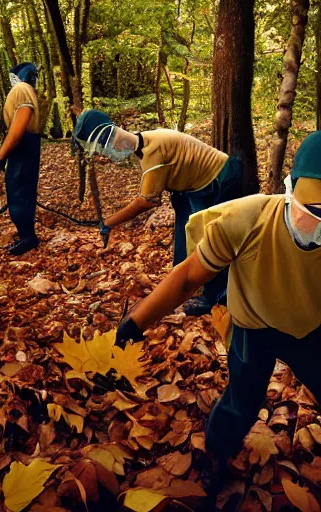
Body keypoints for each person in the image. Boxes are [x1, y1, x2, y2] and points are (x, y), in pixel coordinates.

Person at [116, 131, 321, 481]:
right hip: (251, 327)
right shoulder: (246, 220)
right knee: (241, 401)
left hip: (310, 328)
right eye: (313, 213)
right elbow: (187, 278)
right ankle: (216, 456)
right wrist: (136, 323)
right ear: (289, 193)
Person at [72, 110, 245, 315]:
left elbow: (146, 201)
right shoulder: (145, 144)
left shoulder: (153, 151)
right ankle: (182, 282)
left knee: (209, 240)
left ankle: (214, 297)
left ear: (114, 134)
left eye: (105, 144)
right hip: (191, 188)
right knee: (184, 237)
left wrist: (109, 222)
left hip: (218, 179)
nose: (106, 152)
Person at [0, 62, 41, 256]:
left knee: (18, 191)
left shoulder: (21, 89)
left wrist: (1, 154)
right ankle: (26, 234)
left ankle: (27, 237)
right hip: (29, 144)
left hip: (23, 146)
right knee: (23, 190)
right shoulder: (29, 90)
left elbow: (18, 128)